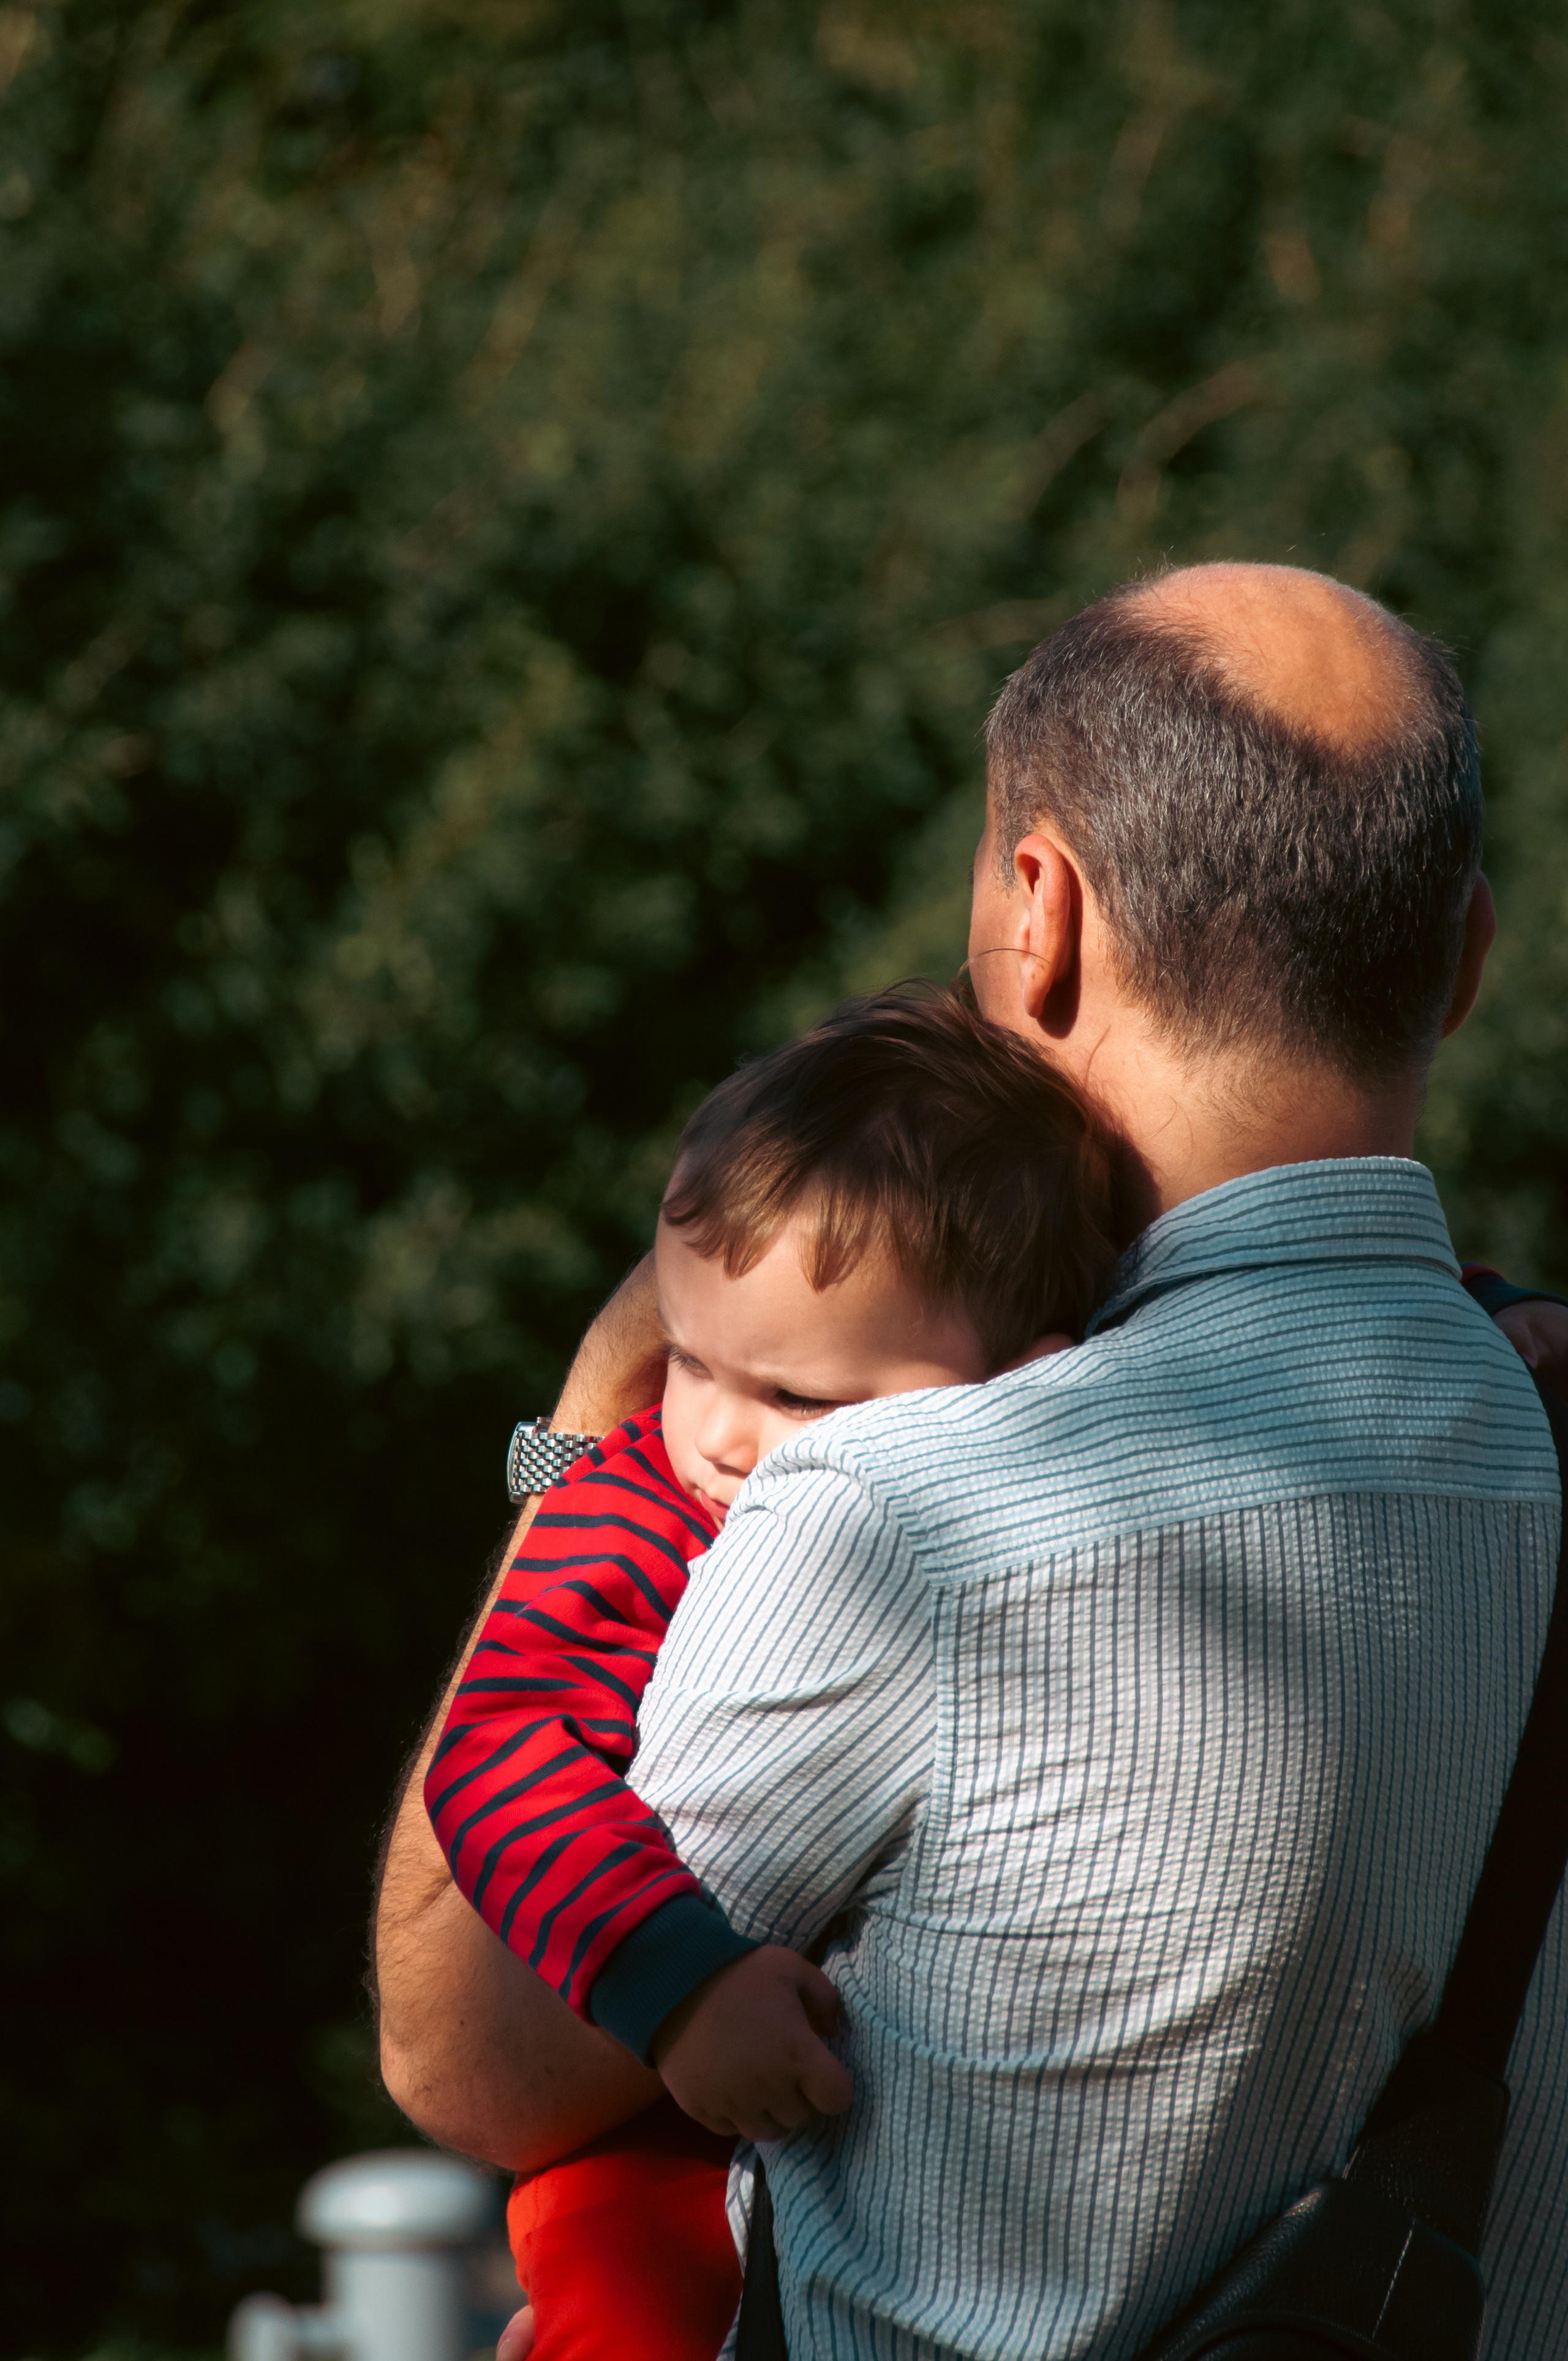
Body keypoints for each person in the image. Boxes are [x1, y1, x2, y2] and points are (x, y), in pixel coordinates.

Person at [375, 563, 1568, 2358]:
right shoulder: (1538, 1399)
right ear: (1469, 959)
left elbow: (470, 2056)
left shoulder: (895, 1514)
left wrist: (614, 1383)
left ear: (1042, 914)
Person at [425, 990, 1117, 2360]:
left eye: (800, 1399)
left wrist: (1482, 1303)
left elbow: (1189, 1318)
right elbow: (498, 1743)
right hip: (647, 2130)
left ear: (1033, 1383)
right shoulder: (635, 1504)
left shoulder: (1062, 1393)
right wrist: (671, 1980)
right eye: (685, 1356)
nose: (719, 1434)